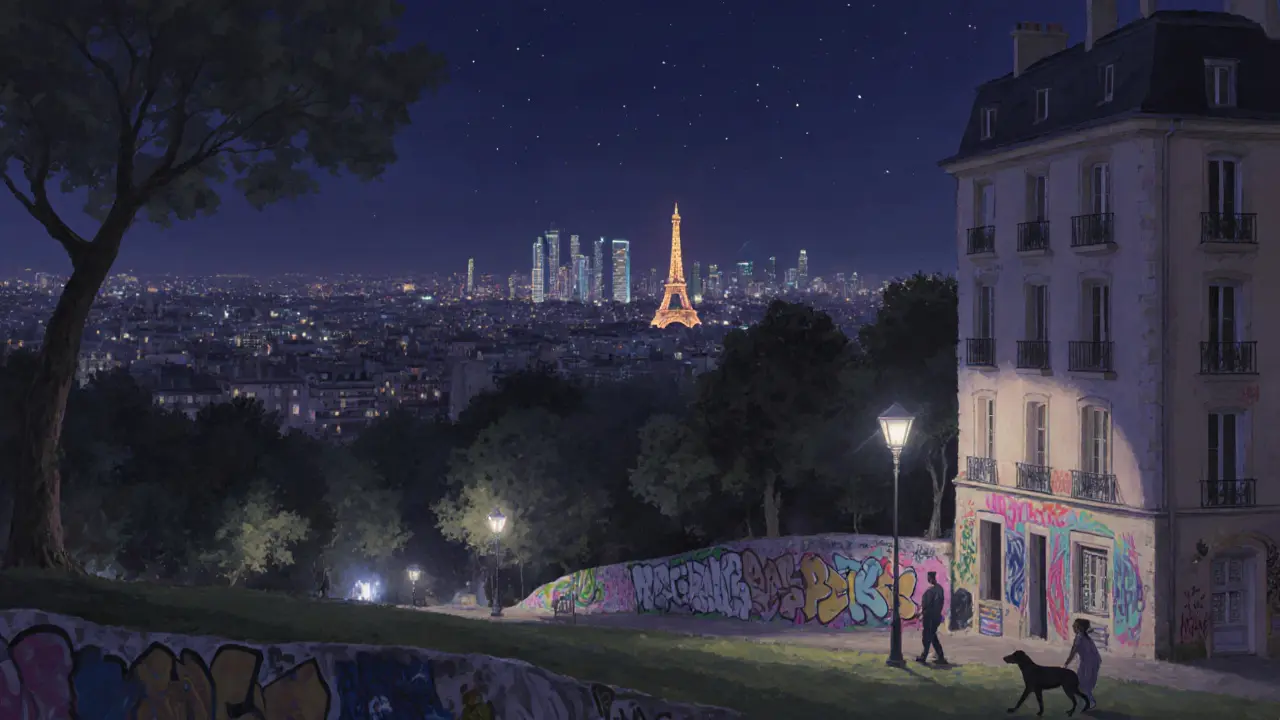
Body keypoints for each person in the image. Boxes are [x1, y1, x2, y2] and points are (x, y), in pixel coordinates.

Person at [1065, 618, 1100, 709]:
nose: (1072, 626)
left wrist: (1066, 664)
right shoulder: (1085, 637)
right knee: (1083, 683)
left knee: (1082, 684)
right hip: (1092, 662)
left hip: (1088, 663)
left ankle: (1089, 702)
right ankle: (1086, 702)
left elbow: (1073, 652)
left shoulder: (1079, 638)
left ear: (1079, 627)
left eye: (1075, 625)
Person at [917, 570, 948, 664]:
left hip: (929, 617)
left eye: (928, 577)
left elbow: (926, 604)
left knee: (926, 637)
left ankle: (924, 657)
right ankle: (941, 656)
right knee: (932, 637)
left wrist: (920, 613)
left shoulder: (930, 591)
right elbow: (940, 603)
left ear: (929, 578)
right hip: (936, 617)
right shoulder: (940, 589)